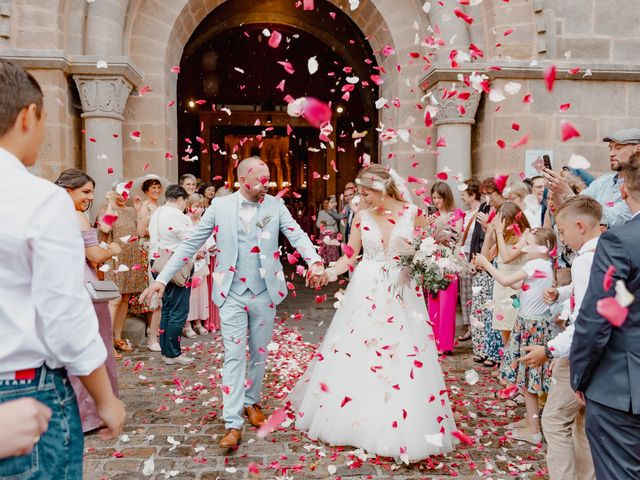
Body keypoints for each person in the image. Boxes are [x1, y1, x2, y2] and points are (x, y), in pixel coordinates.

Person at [140, 156, 325, 448]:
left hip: (265, 292)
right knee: (234, 355)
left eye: (268, 180)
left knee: (259, 354)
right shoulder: (221, 207)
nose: (265, 185)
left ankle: (251, 402)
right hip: (231, 294)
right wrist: (162, 279)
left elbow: (297, 235)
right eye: (259, 180)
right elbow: (190, 244)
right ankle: (232, 422)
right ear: (241, 180)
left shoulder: (275, 206)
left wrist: (314, 260)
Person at [0, 58, 124, 478]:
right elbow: (63, 314)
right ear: (28, 116)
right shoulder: (39, 199)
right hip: (23, 387)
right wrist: (106, 399)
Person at [289, 164, 458, 462]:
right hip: (365, 292)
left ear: (383, 188)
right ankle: (356, 423)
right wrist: (327, 274)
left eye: (366, 193)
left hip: (401, 295)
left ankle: (400, 426)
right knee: (360, 353)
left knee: (401, 357)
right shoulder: (361, 217)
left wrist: (431, 260)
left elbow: (430, 247)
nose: (361, 199)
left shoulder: (412, 213)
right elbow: (349, 258)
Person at [519, 196, 601, 480]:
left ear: (580, 226)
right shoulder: (603, 251)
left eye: (563, 232)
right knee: (580, 421)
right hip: (596, 354)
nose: (561, 239)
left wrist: (549, 350)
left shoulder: (585, 260)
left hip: (579, 352)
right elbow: (589, 295)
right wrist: (563, 293)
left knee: (554, 420)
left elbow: (585, 321)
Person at [570, 152, 640, 479]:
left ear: (623, 190)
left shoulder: (619, 241)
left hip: (624, 390)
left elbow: (597, 320)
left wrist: (580, 376)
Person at [475, 228, 557, 444]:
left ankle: (534, 432)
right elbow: (518, 285)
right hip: (535, 324)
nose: (523, 247)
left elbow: (503, 280)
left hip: (530, 325)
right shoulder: (544, 266)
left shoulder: (534, 265)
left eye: (528, 243)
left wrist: (485, 263)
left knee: (528, 381)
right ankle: (533, 425)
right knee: (528, 380)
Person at [55, 169, 121, 432]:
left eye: (92, 192)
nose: (90, 197)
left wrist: (112, 206)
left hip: (60, 283)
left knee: (68, 348)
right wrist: (113, 249)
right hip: (82, 284)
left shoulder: (50, 216)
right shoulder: (77, 216)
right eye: (85, 191)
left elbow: (102, 228)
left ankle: (66, 412)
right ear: (68, 190)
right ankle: (92, 413)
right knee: (94, 342)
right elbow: (94, 255)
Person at [544, 128, 640, 228]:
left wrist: (567, 192)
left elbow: (613, 219)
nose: (611, 153)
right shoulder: (603, 181)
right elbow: (574, 212)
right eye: (610, 148)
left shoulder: (636, 185)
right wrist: (556, 190)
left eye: (618, 148)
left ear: (637, 149)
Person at [97, 181, 148, 353]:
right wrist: (111, 204)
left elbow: (140, 233)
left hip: (131, 258)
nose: (122, 196)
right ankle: (106, 342)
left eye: (125, 192)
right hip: (114, 258)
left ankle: (117, 337)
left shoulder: (131, 210)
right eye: (118, 192)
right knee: (114, 299)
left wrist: (140, 210)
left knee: (125, 299)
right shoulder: (106, 209)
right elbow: (105, 227)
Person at [148, 185, 195, 365]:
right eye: (185, 202)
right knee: (178, 310)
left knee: (167, 308)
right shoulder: (177, 215)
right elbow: (189, 238)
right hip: (173, 264)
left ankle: (167, 352)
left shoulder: (158, 211)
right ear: (181, 199)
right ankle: (173, 353)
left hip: (157, 262)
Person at [469, 178, 504, 366]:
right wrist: (473, 260)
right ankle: (480, 348)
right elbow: (476, 236)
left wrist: (488, 229)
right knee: (478, 308)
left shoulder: (503, 212)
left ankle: (492, 351)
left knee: (492, 310)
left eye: (491, 193)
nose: (488, 198)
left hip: (495, 263)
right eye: (485, 194)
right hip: (481, 258)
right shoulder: (483, 208)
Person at [486, 203, 530, 350]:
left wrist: (498, 233)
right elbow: (485, 258)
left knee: (517, 328)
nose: (504, 227)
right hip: (501, 286)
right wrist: (488, 234)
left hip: (517, 285)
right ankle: (507, 366)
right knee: (505, 328)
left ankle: (516, 365)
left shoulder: (527, 235)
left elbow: (506, 257)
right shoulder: (503, 236)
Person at [426, 181, 463, 354]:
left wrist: (442, 226)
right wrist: (428, 227)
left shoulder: (456, 214)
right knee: (433, 302)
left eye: (439, 198)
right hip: (434, 261)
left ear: (446, 197)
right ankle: (434, 342)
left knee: (447, 304)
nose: (436, 201)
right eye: (433, 198)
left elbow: (456, 238)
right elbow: (427, 240)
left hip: (449, 262)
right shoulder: (431, 217)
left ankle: (446, 344)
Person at [132, 176, 163, 351]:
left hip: (160, 250)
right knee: (154, 293)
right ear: (146, 190)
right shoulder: (145, 207)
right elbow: (140, 231)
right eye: (153, 188)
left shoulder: (160, 207)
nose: (157, 191)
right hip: (149, 250)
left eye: (158, 188)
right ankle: (152, 338)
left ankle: (155, 333)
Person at [183, 193, 211, 338]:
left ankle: (198, 323)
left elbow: (209, 239)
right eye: (196, 206)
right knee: (190, 295)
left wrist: (208, 249)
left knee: (201, 294)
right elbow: (183, 241)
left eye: (201, 206)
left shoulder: (203, 221)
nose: (199, 209)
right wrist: (195, 253)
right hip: (189, 262)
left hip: (202, 262)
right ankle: (187, 324)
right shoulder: (185, 221)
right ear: (189, 207)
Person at [458, 178, 482, 342]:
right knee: (466, 294)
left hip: (477, 255)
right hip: (464, 255)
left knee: (479, 294)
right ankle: (469, 327)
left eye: (464, 195)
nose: (461, 198)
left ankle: (479, 327)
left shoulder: (482, 212)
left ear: (473, 195)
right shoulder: (464, 214)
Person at [316, 196, 341, 264]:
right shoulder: (321, 212)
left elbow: (332, 221)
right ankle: (325, 267)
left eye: (327, 203)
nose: (325, 205)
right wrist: (323, 223)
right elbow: (318, 224)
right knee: (324, 251)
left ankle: (333, 267)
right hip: (322, 235)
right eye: (324, 203)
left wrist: (324, 223)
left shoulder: (334, 211)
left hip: (332, 235)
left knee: (332, 251)